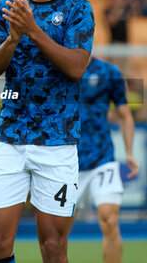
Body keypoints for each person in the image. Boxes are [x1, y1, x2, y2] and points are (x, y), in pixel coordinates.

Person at [0, 0, 95, 263]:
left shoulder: (78, 9)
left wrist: (33, 30)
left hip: (57, 143)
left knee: (53, 246)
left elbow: (76, 67)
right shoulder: (7, 8)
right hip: (9, 138)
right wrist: (12, 40)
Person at [75, 56, 139, 263]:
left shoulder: (109, 72)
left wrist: (129, 153)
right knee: (56, 230)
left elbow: (125, 114)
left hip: (102, 157)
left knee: (110, 220)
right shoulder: (55, 67)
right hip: (65, 160)